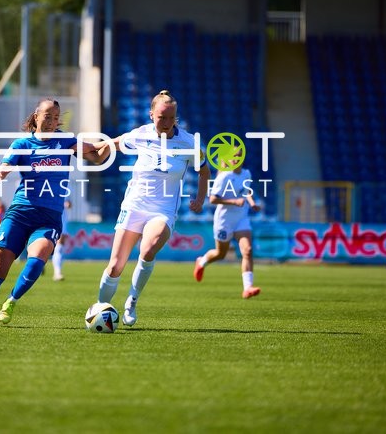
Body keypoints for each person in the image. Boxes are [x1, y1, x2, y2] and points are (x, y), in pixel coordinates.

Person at [0, 98, 102, 328]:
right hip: (20, 212)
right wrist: (1, 173)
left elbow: (95, 155)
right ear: (36, 116)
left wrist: (110, 147)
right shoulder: (22, 144)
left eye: (56, 117)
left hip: (49, 217)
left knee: (38, 260)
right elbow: (7, 163)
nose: (51, 121)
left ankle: (11, 301)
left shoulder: (66, 141)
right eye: (47, 116)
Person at [95, 90, 210, 327]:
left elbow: (204, 169)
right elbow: (115, 143)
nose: (167, 123)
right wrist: (100, 148)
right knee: (115, 265)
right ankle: (99, 309)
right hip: (135, 204)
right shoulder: (140, 134)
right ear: (151, 115)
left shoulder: (189, 142)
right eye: (162, 117)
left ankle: (132, 301)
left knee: (148, 250)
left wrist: (200, 198)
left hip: (163, 210)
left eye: (171, 118)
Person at [193, 150, 262, 298]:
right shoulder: (224, 177)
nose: (236, 159)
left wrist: (252, 203)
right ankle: (202, 261)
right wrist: (234, 201)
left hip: (241, 219)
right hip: (224, 220)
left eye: (238, 156)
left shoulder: (246, 174)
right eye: (233, 156)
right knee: (220, 254)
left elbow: (246, 191)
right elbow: (212, 199)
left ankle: (247, 288)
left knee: (248, 250)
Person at [51, 200, 71, 281]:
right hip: (50, 216)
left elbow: (69, 203)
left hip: (62, 218)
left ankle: (57, 272)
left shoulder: (69, 187)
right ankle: (40, 263)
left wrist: (68, 204)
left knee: (59, 247)